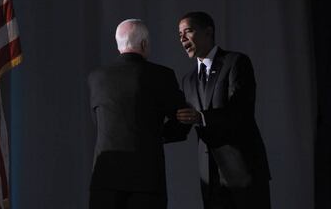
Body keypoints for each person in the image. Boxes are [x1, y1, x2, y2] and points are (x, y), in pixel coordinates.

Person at [87, 19, 190, 209]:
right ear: (144, 44)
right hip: (146, 180)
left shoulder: (96, 77)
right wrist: (156, 135)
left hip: (105, 179)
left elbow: (99, 123)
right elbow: (183, 118)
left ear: (119, 45)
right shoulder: (161, 75)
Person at [176, 11, 271, 209]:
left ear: (208, 32)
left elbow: (241, 111)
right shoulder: (188, 80)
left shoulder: (236, 62)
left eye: (188, 31)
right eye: (180, 34)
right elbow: (183, 124)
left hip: (243, 171)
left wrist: (201, 117)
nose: (182, 38)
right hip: (209, 179)